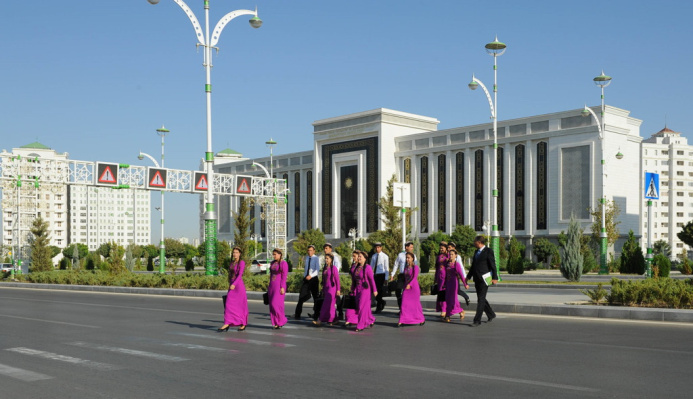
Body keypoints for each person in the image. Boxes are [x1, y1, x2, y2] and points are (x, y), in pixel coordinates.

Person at [468, 236, 498, 327]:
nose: (474, 243)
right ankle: (491, 314)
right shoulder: (476, 251)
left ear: (479, 242)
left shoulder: (488, 251)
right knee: (481, 298)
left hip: (486, 278)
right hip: (477, 278)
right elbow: (473, 266)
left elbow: (493, 265)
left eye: (475, 241)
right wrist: (468, 277)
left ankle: (477, 320)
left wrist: (495, 277)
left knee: (480, 299)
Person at [218, 247, 248, 332]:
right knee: (228, 305)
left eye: (236, 252)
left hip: (238, 287)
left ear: (240, 254)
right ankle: (227, 323)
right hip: (231, 286)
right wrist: (230, 283)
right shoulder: (232, 263)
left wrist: (234, 284)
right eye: (234, 252)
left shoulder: (241, 262)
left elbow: (240, 275)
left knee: (241, 306)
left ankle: (243, 323)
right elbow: (230, 275)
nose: (235, 254)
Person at [351, 251, 377, 332]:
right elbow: (354, 280)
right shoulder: (357, 268)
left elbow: (372, 280)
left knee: (362, 306)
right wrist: (352, 288)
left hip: (365, 290)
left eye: (360, 257)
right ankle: (370, 319)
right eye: (358, 256)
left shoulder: (368, 267)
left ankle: (360, 325)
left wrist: (375, 290)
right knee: (360, 307)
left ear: (365, 259)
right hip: (358, 289)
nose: (358, 258)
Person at [398, 252, 425, 327]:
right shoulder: (406, 268)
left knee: (416, 305)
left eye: (409, 258)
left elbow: (414, 278)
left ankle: (421, 319)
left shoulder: (415, 267)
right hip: (406, 288)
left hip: (414, 288)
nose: (407, 259)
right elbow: (405, 279)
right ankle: (402, 319)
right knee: (404, 303)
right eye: (406, 258)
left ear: (412, 258)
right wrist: (404, 286)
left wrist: (410, 284)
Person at [314, 253, 340, 326]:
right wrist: (323, 289)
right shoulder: (325, 268)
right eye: (325, 258)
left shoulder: (334, 268)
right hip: (326, 288)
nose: (326, 260)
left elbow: (337, 279)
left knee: (325, 305)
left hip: (332, 289)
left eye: (327, 258)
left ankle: (320, 320)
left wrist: (338, 289)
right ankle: (335, 319)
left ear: (331, 260)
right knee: (331, 305)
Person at [295, 245, 320, 320]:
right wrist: (305, 276)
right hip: (306, 279)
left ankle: (316, 314)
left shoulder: (316, 258)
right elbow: (306, 268)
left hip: (313, 279)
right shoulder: (306, 258)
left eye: (311, 250)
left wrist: (311, 276)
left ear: (314, 251)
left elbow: (317, 270)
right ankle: (297, 314)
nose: (309, 252)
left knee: (316, 297)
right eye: (308, 250)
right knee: (301, 296)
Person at [443, 249, 468, 323]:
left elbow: (461, 275)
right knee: (447, 299)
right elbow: (444, 274)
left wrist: (465, 284)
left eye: (452, 254)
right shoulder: (447, 264)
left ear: (456, 255)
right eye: (449, 254)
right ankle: (448, 315)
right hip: (448, 284)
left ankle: (458, 311)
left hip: (454, 283)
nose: (450, 256)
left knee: (453, 300)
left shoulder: (456, 264)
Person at [390, 241, 417, 309]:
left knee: (407, 293)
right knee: (398, 291)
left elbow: (415, 266)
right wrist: (392, 274)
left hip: (409, 276)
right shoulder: (401, 255)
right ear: (406, 247)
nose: (412, 249)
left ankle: (408, 308)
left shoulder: (413, 256)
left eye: (412, 247)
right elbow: (396, 264)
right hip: (402, 275)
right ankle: (401, 307)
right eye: (411, 247)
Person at [267, 248, 288, 329]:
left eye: (275, 254)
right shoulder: (272, 263)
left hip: (279, 286)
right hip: (272, 285)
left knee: (275, 304)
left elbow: (284, 276)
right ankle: (276, 322)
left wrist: (282, 287)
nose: (274, 256)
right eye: (273, 254)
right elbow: (271, 275)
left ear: (280, 254)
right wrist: (269, 285)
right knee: (271, 305)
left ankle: (282, 320)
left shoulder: (283, 263)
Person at [322, 243, 343, 320]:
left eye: (327, 248)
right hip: (327, 283)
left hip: (333, 282)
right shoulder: (326, 259)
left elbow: (336, 270)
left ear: (330, 249)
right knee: (331, 302)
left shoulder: (335, 258)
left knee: (334, 301)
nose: (325, 250)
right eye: (324, 248)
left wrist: (338, 288)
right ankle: (333, 317)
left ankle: (338, 314)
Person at [447, 241, 471, 307]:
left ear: (453, 248)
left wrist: (464, 277)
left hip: (455, 277)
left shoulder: (457, 257)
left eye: (449, 247)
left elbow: (460, 267)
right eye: (447, 247)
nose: (448, 249)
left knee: (457, 291)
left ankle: (465, 298)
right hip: (449, 278)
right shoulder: (448, 256)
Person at [370, 243, 390, 313]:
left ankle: (378, 307)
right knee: (374, 290)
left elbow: (386, 267)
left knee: (379, 291)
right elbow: (371, 267)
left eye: (378, 247)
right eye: (376, 247)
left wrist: (386, 278)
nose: (377, 249)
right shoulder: (374, 256)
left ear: (381, 248)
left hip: (381, 275)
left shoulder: (385, 256)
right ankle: (382, 302)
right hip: (375, 275)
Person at [344, 251, 359, 327]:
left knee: (358, 305)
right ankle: (349, 320)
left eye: (354, 256)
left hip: (358, 287)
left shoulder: (361, 266)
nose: (353, 258)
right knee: (351, 304)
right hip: (352, 287)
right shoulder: (353, 265)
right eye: (353, 256)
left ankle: (364, 319)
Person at [434, 241, 449, 318]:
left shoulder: (448, 256)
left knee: (444, 293)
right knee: (440, 293)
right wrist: (435, 278)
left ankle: (444, 310)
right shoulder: (439, 256)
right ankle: (441, 308)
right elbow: (437, 268)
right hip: (439, 277)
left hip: (446, 278)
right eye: (440, 248)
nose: (441, 249)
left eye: (442, 248)